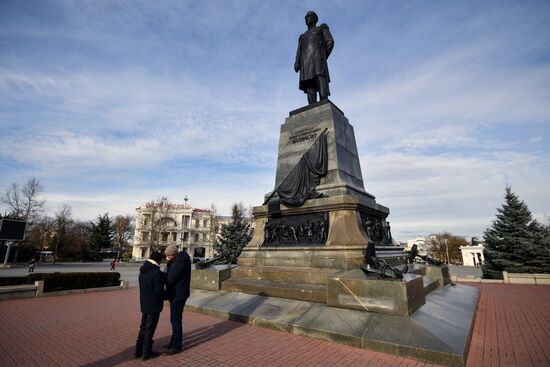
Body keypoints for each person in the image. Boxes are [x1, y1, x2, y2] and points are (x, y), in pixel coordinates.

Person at [294, 10, 334, 105]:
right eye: (306, 17)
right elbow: (299, 51)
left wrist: (323, 56)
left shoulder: (321, 28)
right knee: (309, 83)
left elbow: (330, 42)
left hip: (318, 59)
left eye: (309, 16)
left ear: (315, 19)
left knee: (320, 78)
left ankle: (323, 101)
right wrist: (297, 62)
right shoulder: (302, 36)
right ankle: (312, 105)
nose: (307, 18)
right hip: (305, 62)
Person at [135, 251, 165, 360]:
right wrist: (167, 296)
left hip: (144, 303)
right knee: (150, 328)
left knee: (143, 327)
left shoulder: (143, 271)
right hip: (154, 305)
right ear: (158, 260)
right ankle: (147, 352)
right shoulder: (156, 272)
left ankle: (138, 350)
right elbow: (159, 291)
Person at [164, 245, 191, 355]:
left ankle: (176, 346)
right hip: (180, 293)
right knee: (175, 319)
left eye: (168, 256)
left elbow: (170, 280)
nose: (167, 258)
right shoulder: (181, 260)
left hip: (177, 294)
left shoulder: (177, 263)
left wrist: (161, 276)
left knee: (175, 321)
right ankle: (173, 342)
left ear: (172, 255)